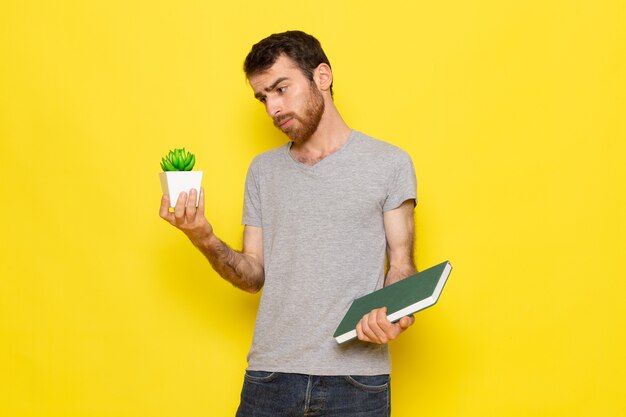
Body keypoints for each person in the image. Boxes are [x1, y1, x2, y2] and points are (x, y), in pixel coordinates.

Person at [159, 30, 417, 417]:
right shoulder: (263, 171)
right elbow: (252, 276)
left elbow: (401, 266)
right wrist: (203, 237)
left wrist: (394, 313)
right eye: (263, 97)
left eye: (281, 89)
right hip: (270, 377)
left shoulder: (389, 164)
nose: (272, 108)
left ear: (322, 77)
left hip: (357, 381)